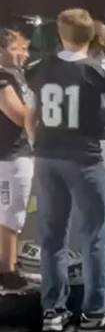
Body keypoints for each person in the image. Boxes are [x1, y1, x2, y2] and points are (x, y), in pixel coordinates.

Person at [25, 8, 105, 332]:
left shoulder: (38, 69)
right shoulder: (99, 72)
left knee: (52, 236)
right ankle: (95, 311)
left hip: (46, 157)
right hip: (84, 157)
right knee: (93, 236)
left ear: (60, 34)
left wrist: (37, 145)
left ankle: (52, 310)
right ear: (92, 36)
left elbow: (31, 115)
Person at [0, 29, 33, 293]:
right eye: (16, 49)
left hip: (16, 153)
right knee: (11, 212)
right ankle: (7, 271)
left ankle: (9, 267)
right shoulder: (2, 76)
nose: (23, 54)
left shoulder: (15, 74)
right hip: (9, 155)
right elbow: (17, 114)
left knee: (11, 211)